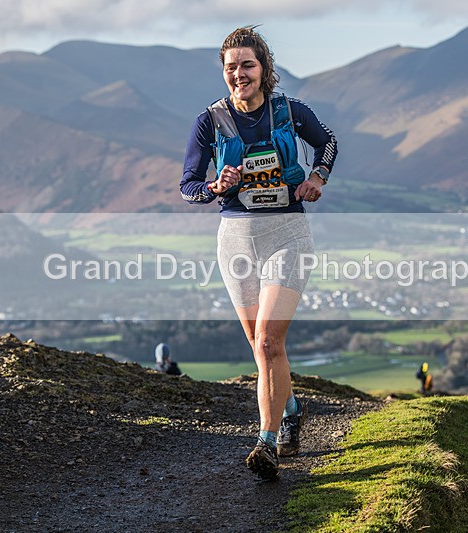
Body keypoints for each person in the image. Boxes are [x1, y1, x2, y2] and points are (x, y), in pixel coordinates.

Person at [181, 26, 338, 481]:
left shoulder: (289, 110)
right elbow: (189, 185)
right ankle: (289, 407)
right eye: (230, 68)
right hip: (235, 239)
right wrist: (214, 186)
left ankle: (266, 442)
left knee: (270, 341)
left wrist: (318, 178)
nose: (239, 74)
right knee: (258, 345)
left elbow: (326, 140)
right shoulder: (209, 121)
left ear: (264, 68)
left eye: (247, 65)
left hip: (287, 233)